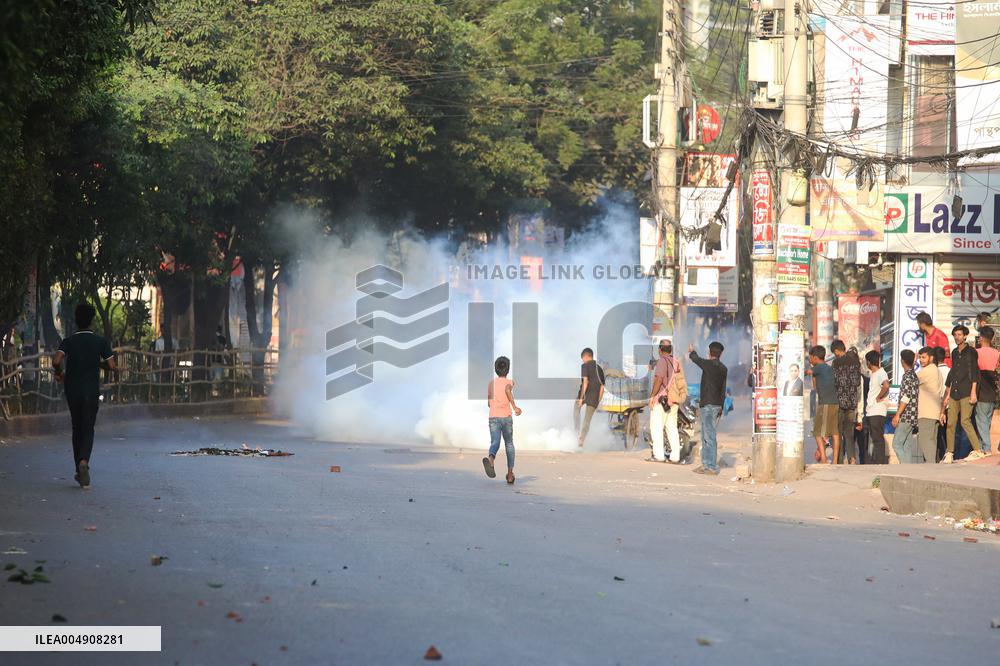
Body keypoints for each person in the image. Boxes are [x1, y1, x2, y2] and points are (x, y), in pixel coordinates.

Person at [52, 303, 117, 488]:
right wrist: (97, 364)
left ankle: (78, 469)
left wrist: (59, 372)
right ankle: (84, 462)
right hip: (91, 391)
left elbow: (56, 360)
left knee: (77, 427)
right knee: (88, 428)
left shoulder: (69, 341)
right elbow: (111, 366)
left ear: (76, 320)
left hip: (72, 391)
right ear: (91, 321)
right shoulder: (99, 341)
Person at [942, 325, 984, 463]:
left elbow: (975, 372)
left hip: (967, 391)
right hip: (954, 392)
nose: (957, 337)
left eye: (959, 334)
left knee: (965, 420)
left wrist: (973, 392)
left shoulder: (971, 351)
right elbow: (953, 372)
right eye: (955, 335)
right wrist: (947, 394)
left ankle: (978, 450)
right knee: (950, 423)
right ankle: (949, 452)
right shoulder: (954, 352)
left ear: (965, 336)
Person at [688, 342, 728, 475]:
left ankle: (711, 466)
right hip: (716, 405)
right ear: (721, 354)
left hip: (708, 405)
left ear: (709, 353)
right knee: (706, 435)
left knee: (709, 436)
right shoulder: (723, 368)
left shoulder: (708, 364)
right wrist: (721, 407)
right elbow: (723, 390)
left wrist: (691, 351)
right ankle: (705, 464)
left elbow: (695, 359)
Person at [482, 356, 522, 484]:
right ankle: (510, 474)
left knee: (495, 442)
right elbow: (507, 390)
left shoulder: (491, 384)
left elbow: (489, 403)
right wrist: (514, 406)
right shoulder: (509, 382)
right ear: (508, 370)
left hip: (493, 417)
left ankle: (491, 459)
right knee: (509, 443)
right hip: (506, 417)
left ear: (495, 369)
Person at [648, 339, 683, 463]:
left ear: (660, 350)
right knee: (672, 429)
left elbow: (659, 379)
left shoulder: (662, 361)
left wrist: (652, 396)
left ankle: (659, 455)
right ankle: (675, 457)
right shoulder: (676, 362)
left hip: (661, 401)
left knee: (656, 428)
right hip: (674, 400)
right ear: (671, 350)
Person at [831, 341, 863, 464]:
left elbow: (834, 381)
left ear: (836, 351)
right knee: (849, 433)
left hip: (839, 402)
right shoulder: (855, 362)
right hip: (851, 402)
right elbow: (857, 382)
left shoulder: (836, 363)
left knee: (838, 432)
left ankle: (839, 459)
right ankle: (852, 458)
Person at [809, 346, 838, 464]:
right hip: (834, 402)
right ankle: (835, 461)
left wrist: (808, 372)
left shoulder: (818, 367)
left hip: (825, 403)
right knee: (835, 432)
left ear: (815, 358)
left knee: (817, 431)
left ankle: (824, 459)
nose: (810, 360)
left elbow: (813, 384)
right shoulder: (829, 368)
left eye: (810, 358)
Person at [574, 347, 605, 448]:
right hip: (594, 397)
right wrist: (598, 400)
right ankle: (581, 439)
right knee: (587, 420)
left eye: (582, 358)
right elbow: (602, 387)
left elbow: (585, 382)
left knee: (576, 410)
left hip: (585, 394)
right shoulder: (600, 369)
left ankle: (576, 432)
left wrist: (581, 398)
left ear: (586, 357)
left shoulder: (585, 366)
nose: (582, 361)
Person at [892, 350, 919, 464]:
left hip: (906, 416)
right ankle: (909, 470)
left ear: (902, 361)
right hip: (913, 416)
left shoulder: (907, 376)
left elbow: (905, 397)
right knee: (906, 446)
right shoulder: (914, 375)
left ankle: (904, 467)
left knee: (896, 444)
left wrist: (897, 415)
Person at [916, 346, 942, 464]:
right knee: (931, 441)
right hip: (935, 411)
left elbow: (912, 380)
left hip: (926, 412)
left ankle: (931, 465)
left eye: (923, 357)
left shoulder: (927, 371)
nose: (921, 360)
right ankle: (932, 465)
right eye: (920, 357)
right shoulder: (936, 370)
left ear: (931, 358)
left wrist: (912, 363)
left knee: (924, 440)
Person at [975, 326, 998, 455]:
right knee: (987, 420)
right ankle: (982, 447)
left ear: (981, 338)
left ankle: (986, 448)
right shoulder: (997, 353)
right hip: (992, 388)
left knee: (981, 419)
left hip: (981, 387)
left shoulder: (976, 352)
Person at [863, 351, 889, 464]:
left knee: (878, 438)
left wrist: (879, 396)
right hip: (871, 411)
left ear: (868, 362)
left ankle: (880, 462)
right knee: (874, 437)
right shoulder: (873, 374)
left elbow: (886, 385)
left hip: (877, 411)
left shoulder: (881, 373)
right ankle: (875, 460)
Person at [934, 346, 950, 462]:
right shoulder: (950, 370)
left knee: (938, 434)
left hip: (938, 406)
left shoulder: (935, 372)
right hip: (949, 406)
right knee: (946, 434)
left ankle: (941, 456)